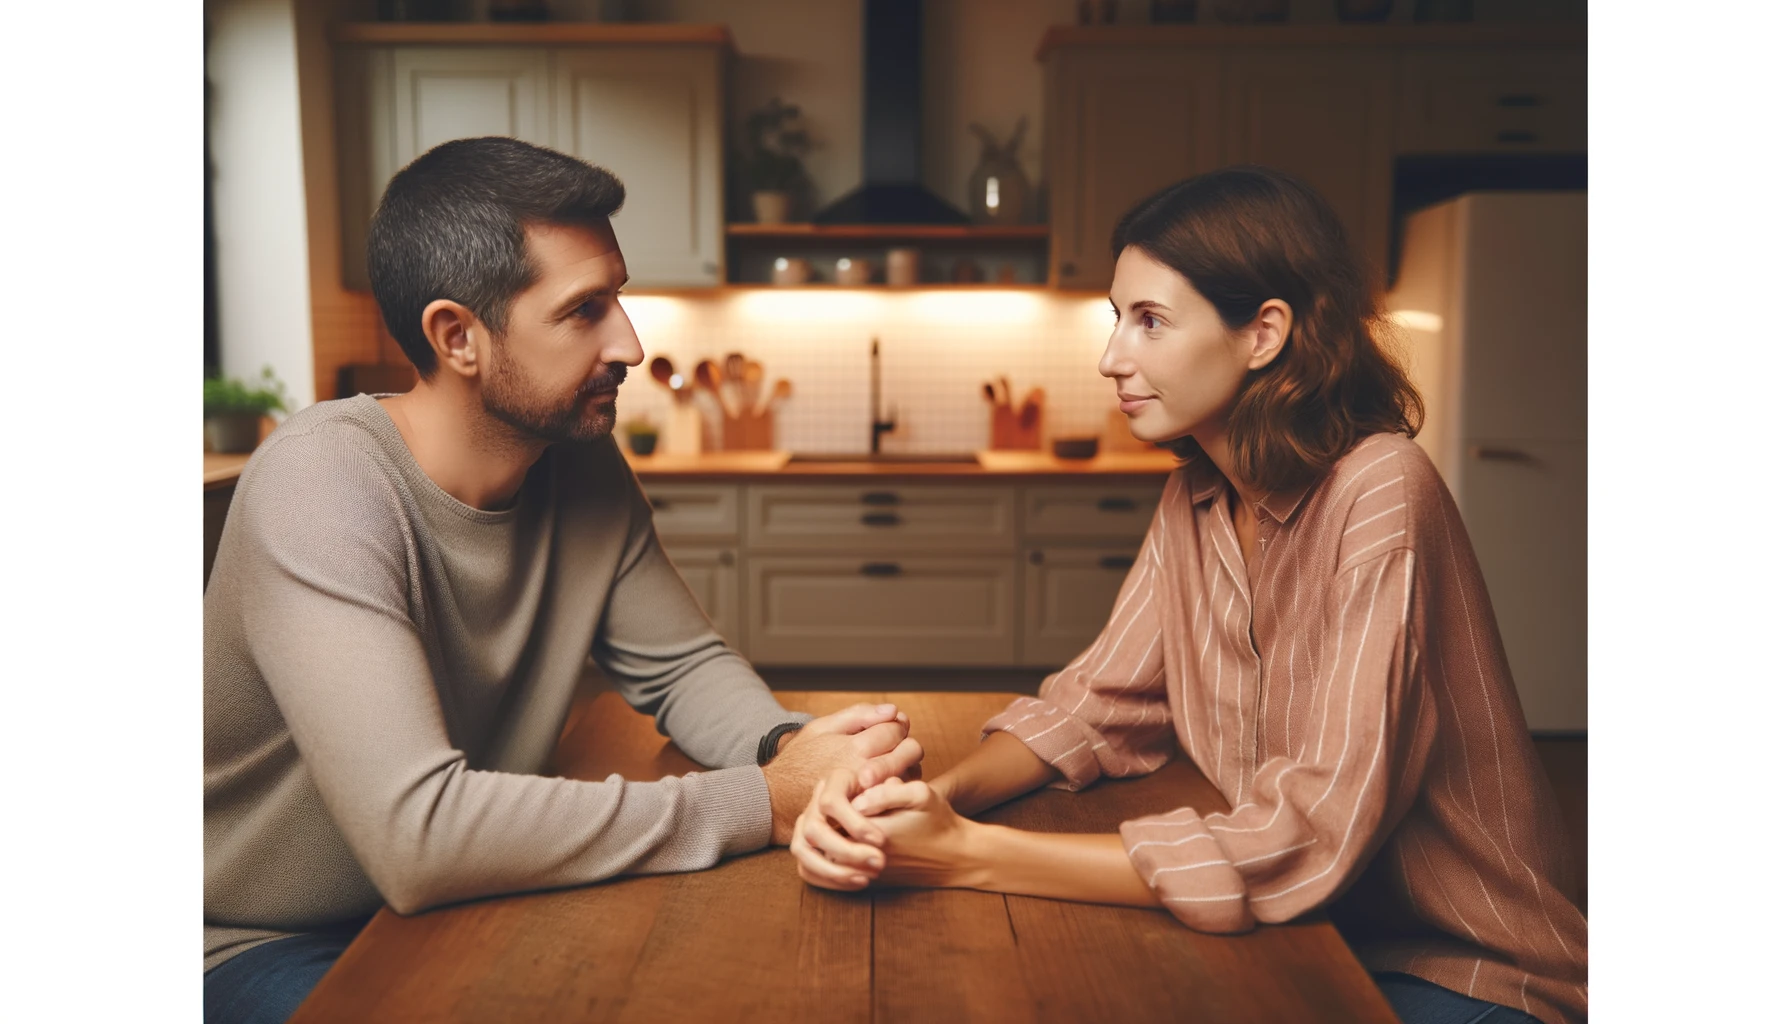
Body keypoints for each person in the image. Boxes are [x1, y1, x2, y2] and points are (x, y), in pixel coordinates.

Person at [791, 166, 1588, 1024]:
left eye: (1151, 322)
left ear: (1264, 334)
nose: (1111, 358)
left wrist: (967, 856)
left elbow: (1309, 832)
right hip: (1311, 927)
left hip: (1461, 964)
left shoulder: (1382, 488)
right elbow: (1099, 707)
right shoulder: (1201, 491)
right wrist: (938, 799)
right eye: (1117, 318)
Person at [203, 137, 922, 1023]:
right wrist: (764, 801)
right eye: (585, 310)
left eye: (618, 297)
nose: (630, 341)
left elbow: (681, 666)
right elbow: (417, 837)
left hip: (475, 893)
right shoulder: (322, 484)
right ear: (456, 336)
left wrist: (800, 751)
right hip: (261, 941)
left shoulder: (575, 459)